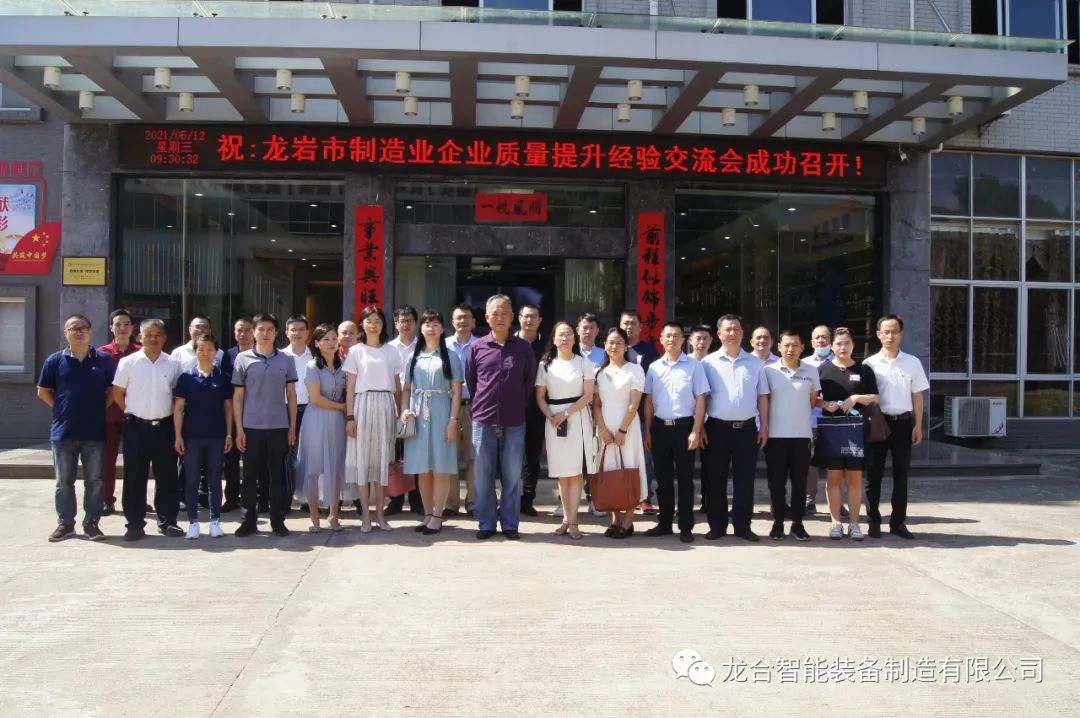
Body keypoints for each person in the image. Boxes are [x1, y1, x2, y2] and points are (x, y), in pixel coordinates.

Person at [37, 314, 116, 542]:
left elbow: (112, 390)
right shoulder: (55, 360)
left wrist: (99, 408)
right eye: (73, 329)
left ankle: (92, 524)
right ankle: (66, 524)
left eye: (83, 328)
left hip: (94, 432)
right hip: (64, 432)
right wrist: (61, 408)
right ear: (66, 333)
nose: (79, 332)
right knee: (64, 482)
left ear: (90, 331)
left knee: (95, 481)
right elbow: (43, 391)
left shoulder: (103, 360)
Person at [465, 294, 537, 540]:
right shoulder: (477, 347)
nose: (499, 317)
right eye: (494, 313)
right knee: (483, 477)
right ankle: (486, 522)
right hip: (483, 420)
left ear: (512, 317)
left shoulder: (523, 348)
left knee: (512, 476)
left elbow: (528, 383)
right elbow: (472, 383)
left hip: (514, 420)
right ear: (486, 318)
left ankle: (509, 524)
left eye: (504, 313)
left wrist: (514, 402)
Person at [112, 318, 183, 541]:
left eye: (157, 334)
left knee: (167, 477)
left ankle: (168, 521)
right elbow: (117, 393)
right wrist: (131, 412)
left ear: (164, 338)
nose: (153, 338)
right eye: (148, 335)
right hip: (136, 428)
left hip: (165, 427)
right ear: (140, 337)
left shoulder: (173, 364)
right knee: (134, 477)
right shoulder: (128, 362)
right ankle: (134, 524)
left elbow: (178, 397)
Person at [231, 313, 298, 538]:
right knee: (250, 476)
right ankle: (248, 520)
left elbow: (291, 394)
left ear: (276, 333)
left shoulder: (286, 360)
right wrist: (239, 428)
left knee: (277, 475)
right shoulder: (243, 359)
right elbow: (238, 396)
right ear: (254, 332)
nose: (265, 334)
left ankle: (277, 520)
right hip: (251, 426)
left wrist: (292, 427)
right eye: (261, 329)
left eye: (270, 329)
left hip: (278, 426)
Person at [863, 314, 928, 540]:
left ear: (902, 334)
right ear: (878, 335)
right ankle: (873, 522)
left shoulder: (912, 362)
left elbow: (917, 395)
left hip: (903, 423)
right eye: (886, 332)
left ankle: (898, 522)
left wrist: (918, 425)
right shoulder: (869, 364)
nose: (890, 336)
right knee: (873, 476)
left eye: (894, 331)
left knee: (901, 475)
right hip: (878, 423)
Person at [700, 315, 765, 542]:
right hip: (716, 428)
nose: (732, 333)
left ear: (742, 333)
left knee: (745, 480)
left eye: (736, 329)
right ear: (719, 334)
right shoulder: (708, 363)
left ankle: (742, 526)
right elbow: (702, 398)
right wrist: (700, 428)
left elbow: (762, 397)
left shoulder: (754, 363)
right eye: (727, 329)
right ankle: (717, 526)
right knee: (715, 479)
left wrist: (764, 427)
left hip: (747, 429)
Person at [643, 322, 708, 543]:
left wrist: (696, 430)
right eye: (668, 336)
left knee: (686, 480)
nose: (671, 339)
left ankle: (686, 526)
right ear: (661, 339)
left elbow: (701, 399)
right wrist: (648, 431)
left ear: (683, 339)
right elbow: (649, 401)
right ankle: (664, 522)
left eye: (676, 336)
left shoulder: (694, 366)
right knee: (663, 479)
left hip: (684, 428)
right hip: (660, 428)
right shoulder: (654, 368)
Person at [402, 310, 463, 535]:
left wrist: (453, 420)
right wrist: (404, 409)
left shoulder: (450, 356)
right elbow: (406, 388)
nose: (431, 328)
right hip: (418, 414)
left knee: (441, 467)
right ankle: (427, 513)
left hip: (441, 412)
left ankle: (438, 515)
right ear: (421, 328)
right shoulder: (413, 357)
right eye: (427, 324)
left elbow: (456, 393)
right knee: (423, 469)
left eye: (435, 324)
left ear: (442, 328)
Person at [815, 327, 879, 541]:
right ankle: (835, 522)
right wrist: (826, 404)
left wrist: (857, 398)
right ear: (831, 346)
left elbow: (876, 397)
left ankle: (854, 523)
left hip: (856, 431)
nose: (843, 347)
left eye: (847, 343)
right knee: (833, 477)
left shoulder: (864, 369)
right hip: (832, 430)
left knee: (854, 478)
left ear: (853, 345)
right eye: (839, 343)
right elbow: (813, 399)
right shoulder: (822, 370)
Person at [535, 320, 597, 539]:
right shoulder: (545, 365)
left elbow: (588, 395)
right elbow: (540, 397)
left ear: (575, 337)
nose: (565, 338)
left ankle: (574, 521)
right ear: (553, 339)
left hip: (577, 418)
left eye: (569, 333)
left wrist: (566, 414)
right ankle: (566, 519)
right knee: (562, 473)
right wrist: (551, 415)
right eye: (560, 334)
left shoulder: (583, 363)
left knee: (575, 472)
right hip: (554, 421)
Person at [759, 330, 822, 542]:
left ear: (802, 347)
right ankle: (778, 522)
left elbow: (812, 401)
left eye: (795, 345)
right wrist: (764, 429)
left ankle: (797, 523)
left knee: (799, 483)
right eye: (786, 345)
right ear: (779, 347)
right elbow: (764, 401)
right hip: (775, 436)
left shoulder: (811, 371)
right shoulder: (769, 371)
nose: (790, 349)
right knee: (776, 483)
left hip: (802, 436)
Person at [344, 306, 403, 533]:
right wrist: (350, 416)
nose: (373, 325)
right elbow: (350, 387)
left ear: (383, 324)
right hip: (363, 405)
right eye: (369, 320)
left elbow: (397, 387)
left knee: (381, 463)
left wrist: (399, 414)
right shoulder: (356, 351)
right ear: (362, 324)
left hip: (386, 405)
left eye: (377, 320)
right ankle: (366, 517)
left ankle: (380, 514)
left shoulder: (391, 351)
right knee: (362, 462)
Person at [172, 334, 233, 540]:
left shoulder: (223, 378)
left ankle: (215, 521)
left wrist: (229, 434)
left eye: (210, 349)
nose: (205, 353)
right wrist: (178, 436)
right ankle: (193, 523)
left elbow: (228, 408)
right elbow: (179, 408)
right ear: (195, 351)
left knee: (215, 480)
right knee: (191, 481)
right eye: (201, 349)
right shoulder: (186, 378)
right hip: (192, 437)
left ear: (216, 352)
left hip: (216, 436)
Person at [591, 327, 647, 539]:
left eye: (619, 343)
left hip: (628, 427)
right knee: (610, 471)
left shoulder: (635, 370)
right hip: (605, 428)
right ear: (605, 345)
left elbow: (634, 404)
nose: (614, 346)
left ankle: (628, 521)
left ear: (626, 346)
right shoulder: (599, 373)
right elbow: (596, 405)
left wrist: (623, 429)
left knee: (629, 469)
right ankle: (615, 519)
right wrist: (602, 429)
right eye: (610, 342)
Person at [295, 323, 349, 533]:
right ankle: (313, 515)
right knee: (313, 468)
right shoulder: (312, 366)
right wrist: (341, 407)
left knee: (336, 467)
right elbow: (316, 398)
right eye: (325, 339)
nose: (331, 343)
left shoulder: (344, 366)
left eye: (334, 338)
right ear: (316, 343)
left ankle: (334, 514)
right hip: (316, 420)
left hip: (338, 422)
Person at [98, 309, 140, 516]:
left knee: (136, 461)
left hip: (136, 415)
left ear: (132, 328)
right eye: (118, 324)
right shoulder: (101, 353)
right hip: (110, 415)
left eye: (126, 324)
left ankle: (136, 501)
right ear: (111, 328)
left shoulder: (141, 352)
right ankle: (107, 500)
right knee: (108, 461)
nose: (122, 328)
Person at [620, 309, 660, 515]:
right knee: (619, 456)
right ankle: (622, 495)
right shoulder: (614, 347)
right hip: (617, 410)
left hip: (642, 411)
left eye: (633, 323)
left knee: (644, 456)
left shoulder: (649, 351)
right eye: (625, 323)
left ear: (640, 327)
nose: (629, 327)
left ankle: (645, 497)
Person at [386, 304, 423, 516]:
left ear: (415, 323)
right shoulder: (389, 349)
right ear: (395, 323)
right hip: (392, 404)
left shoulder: (424, 347)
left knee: (415, 452)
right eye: (402, 320)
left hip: (417, 406)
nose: (406, 324)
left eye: (410, 320)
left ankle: (417, 499)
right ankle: (396, 498)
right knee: (394, 453)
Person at [444, 303, 477, 516]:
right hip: (449, 407)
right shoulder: (443, 345)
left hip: (475, 406)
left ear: (473, 321)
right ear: (452, 322)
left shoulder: (482, 344)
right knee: (450, 456)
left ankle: (473, 502)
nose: (463, 321)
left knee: (474, 456)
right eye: (459, 317)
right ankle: (451, 503)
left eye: (466, 317)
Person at [221, 316, 254, 512]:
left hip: (255, 412)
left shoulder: (260, 353)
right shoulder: (229, 355)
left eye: (247, 330)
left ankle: (253, 496)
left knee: (253, 458)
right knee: (231, 458)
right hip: (233, 412)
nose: (243, 334)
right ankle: (232, 497)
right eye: (239, 330)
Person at [517, 302, 546, 518]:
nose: (529, 320)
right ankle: (509, 498)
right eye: (526, 316)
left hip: (538, 408)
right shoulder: (509, 343)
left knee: (533, 456)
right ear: (519, 318)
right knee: (508, 455)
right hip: (512, 407)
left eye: (533, 316)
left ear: (539, 320)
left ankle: (528, 498)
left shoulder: (547, 346)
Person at [801, 324, 834, 515]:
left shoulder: (840, 362)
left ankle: (836, 502)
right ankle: (809, 500)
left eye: (825, 337)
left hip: (834, 421)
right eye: (817, 337)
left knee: (835, 464)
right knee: (810, 463)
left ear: (831, 340)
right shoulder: (804, 364)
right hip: (810, 421)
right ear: (812, 342)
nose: (821, 341)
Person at [282, 314, 311, 508]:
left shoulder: (315, 356)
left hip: (310, 410)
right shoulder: (279, 356)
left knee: (307, 456)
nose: (297, 333)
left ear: (308, 333)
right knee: (286, 456)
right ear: (286, 333)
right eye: (293, 330)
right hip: (284, 410)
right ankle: (286, 498)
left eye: (301, 329)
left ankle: (307, 500)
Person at [687, 323, 712, 513]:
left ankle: (707, 500)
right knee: (685, 465)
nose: (701, 342)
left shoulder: (715, 363)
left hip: (711, 421)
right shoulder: (685, 363)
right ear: (690, 340)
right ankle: (686, 503)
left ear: (711, 340)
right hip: (687, 421)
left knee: (710, 464)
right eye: (698, 338)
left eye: (705, 338)